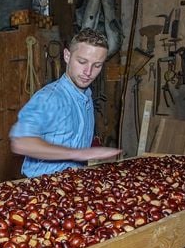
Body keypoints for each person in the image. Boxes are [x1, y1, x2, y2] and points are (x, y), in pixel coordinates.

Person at [9, 28, 122, 178]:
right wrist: (78, 154)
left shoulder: (86, 96)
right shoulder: (48, 98)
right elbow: (21, 142)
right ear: (67, 55)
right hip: (41, 188)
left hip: (72, 184)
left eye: (97, 65)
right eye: (82, 62)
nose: (88, 72)